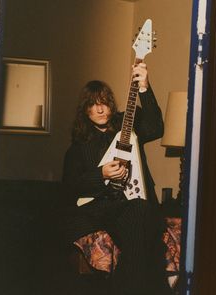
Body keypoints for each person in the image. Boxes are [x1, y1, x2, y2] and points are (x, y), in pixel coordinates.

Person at [62, 63, 171, 295]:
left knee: (141, 218)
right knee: (142, 216)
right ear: (86, 110)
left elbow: (156, 127)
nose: (100, 109)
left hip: (132, 205)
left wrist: (144, 87)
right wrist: (100, 174)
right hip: (99, 208)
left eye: (104, 102)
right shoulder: (79, 148)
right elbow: (70, 186)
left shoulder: (127, 124)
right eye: (93, 104)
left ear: (111, 105)